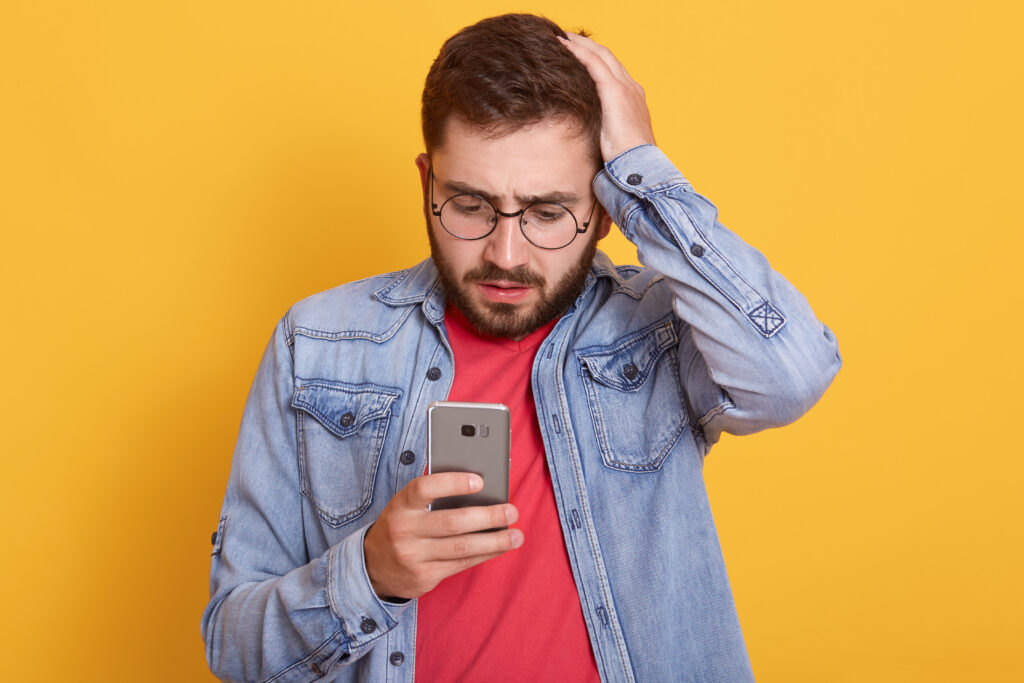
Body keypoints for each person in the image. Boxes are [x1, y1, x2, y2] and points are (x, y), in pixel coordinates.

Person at [201, 13, 841, 683]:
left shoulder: (660, 327)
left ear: (600, 210)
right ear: (427, 185)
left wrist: (646, 176)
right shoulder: (318, 344)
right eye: (471, 205)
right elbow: (233, 644)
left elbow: (791, 374)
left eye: (547, 212)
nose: (506, 255)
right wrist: (370, 573)